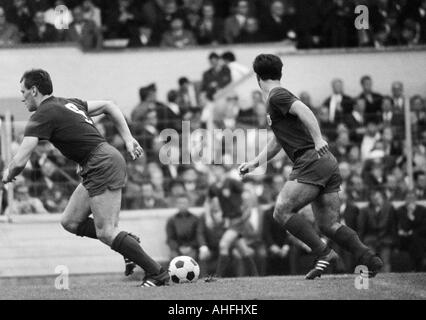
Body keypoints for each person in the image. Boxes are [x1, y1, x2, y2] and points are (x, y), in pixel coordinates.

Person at [1, 69, 169, 287]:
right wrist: (128, 139)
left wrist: (6, 175)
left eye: (23, 91)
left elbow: (20, 160)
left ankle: (157, 273)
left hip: (101, 162)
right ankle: (127, 242)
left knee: (107, 232)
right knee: (70, 221)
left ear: (34, 90)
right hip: (97, 162)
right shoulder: (68, 103)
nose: (22, 97)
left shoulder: (42, 115)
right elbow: (109, 105)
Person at [239, 54, 383, 280]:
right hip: (326, 163)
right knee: (329, 225)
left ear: (257, 77)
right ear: (280, 72)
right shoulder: (277, 100)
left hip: (311, 160)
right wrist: (255, 162)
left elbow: (305, 111)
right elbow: (278, 139)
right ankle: (368, 258)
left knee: (282, 211)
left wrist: (317, 139)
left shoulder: (277, 95)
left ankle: (325, 254)